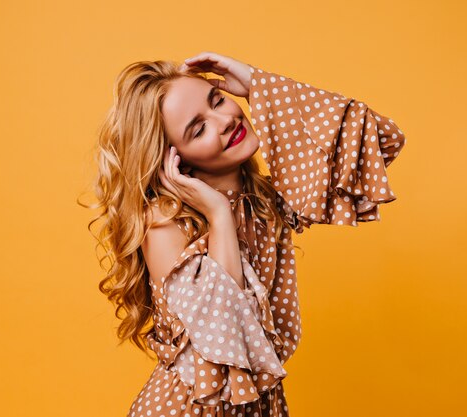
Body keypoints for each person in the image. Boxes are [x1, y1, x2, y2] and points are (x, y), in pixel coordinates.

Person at [86, 51, 406, 417]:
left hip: (259, 407)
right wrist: (219, 215)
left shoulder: (265, 202)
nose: (224, 120)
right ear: (175, 160)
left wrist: (259, 85)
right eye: (198, 128)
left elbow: (376, 143)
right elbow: (224, 333)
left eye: (217, 99)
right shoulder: (164, 223)